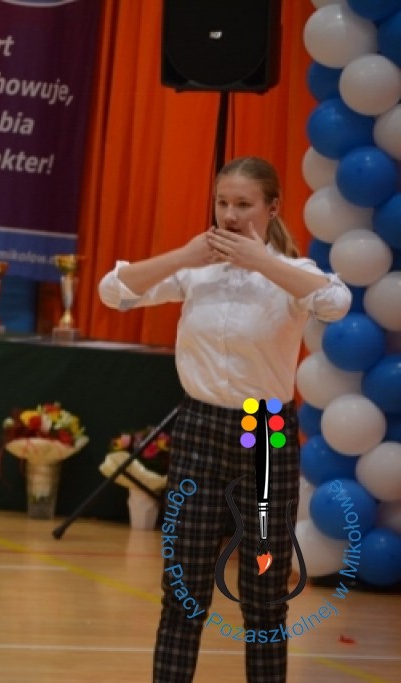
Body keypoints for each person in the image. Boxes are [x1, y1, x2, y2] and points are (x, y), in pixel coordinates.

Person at [97, 156, 351, 682]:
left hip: (265, 432)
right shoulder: (197, 269)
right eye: (223, 203)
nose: (231, 215)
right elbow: (113, 291)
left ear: (272, 208)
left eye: (244, 204)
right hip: (199, 428)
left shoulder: (291, 274)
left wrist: (263, 262)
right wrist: (184, 255)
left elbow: (335, 302)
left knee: (264, 593)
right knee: (183, 588)